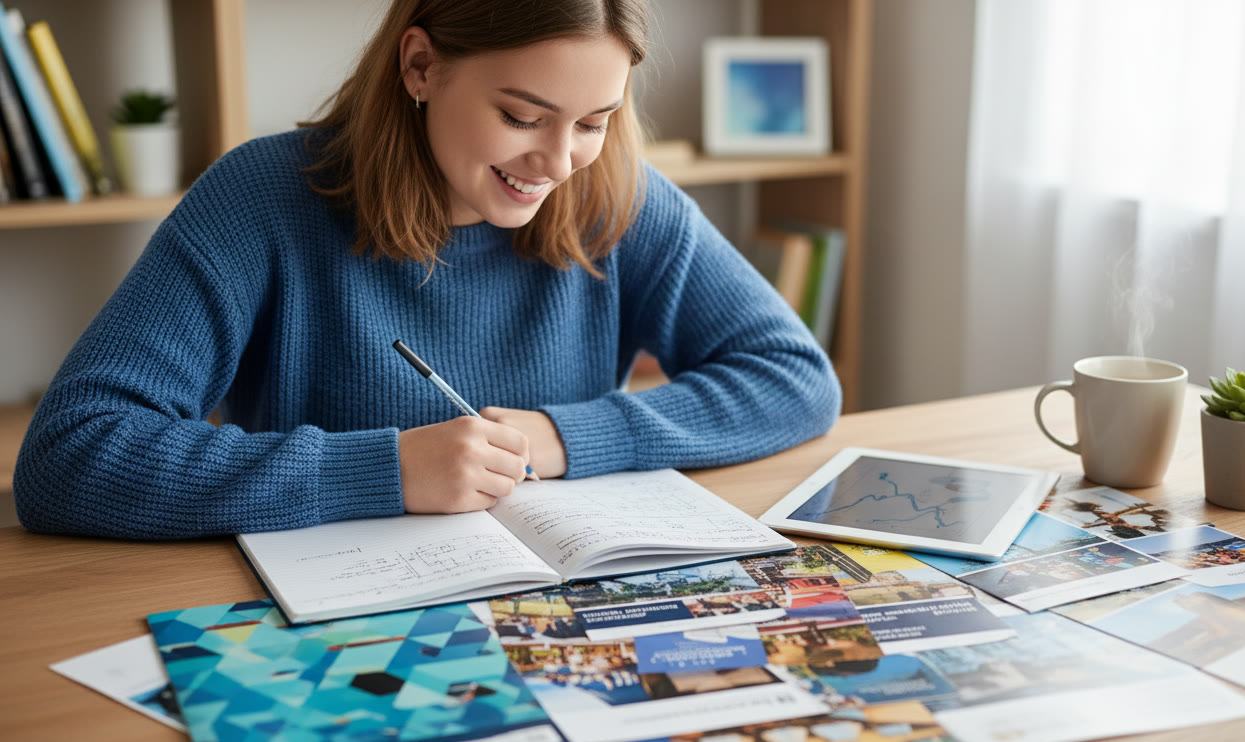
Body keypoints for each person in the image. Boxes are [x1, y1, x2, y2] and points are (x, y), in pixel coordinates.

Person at [13, 0, 840, 540]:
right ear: (420, 66)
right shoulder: (262, 197)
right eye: (522, 116)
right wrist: (384, 468)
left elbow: (795, 377)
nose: (558, 161)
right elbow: (70, 455)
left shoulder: (616, 192)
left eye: (595, 120)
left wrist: (559, 438)